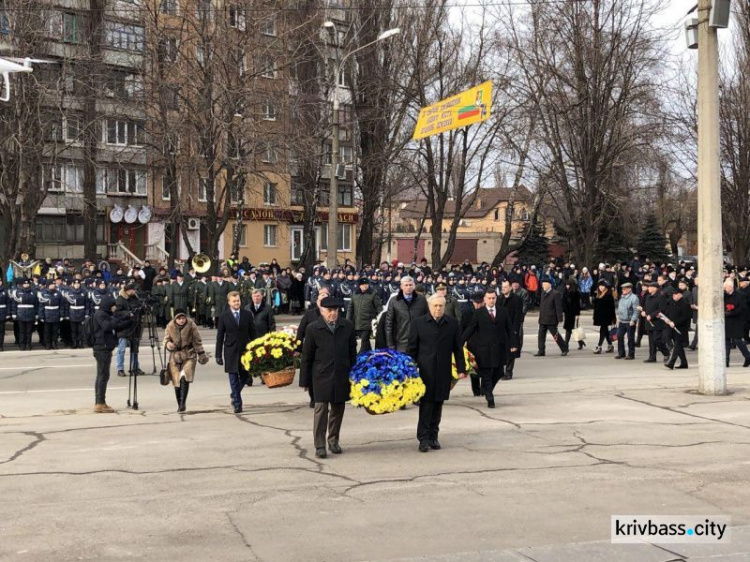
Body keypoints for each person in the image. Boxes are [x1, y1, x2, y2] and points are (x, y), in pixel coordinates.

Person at [299, 296, 357, 459]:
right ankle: (319, 445)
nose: (333, 314)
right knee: (321, 410)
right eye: (329, 311)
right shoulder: (313, 328)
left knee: (338, 409)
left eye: (335, 311)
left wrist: (354, 374)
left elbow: (353, 352)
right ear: (322, 311)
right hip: (321, 375)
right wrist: (304, 380)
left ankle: (333, 440)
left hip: (341, 374)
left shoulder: (347, 326)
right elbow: (306, 357)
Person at [408, 295, 466, 452]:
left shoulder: (452, 324)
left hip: (443, 371)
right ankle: (423, 438)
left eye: (441, 306)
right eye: (435, 306)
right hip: (425, 372)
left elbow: (458, 349)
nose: (438, 308)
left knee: (438, 405)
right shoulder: (419, 323)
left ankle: (434, 437)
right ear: (429, 306)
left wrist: (461, 369)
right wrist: (409, 369)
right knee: (426, 405)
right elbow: (412, 348)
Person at [461, 291, 516, 408]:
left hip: (499, 348)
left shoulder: (502, 311)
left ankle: (487, 389)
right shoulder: (479, 313)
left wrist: (513, 344)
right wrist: (459, 343)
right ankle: (490, 397)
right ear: (485, 300)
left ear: (496, 299)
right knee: (486, 374)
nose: (491, 300)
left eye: (493, 298)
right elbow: (470, 329)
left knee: (498, 372)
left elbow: (509, 329)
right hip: (484, 350)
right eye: (489, 298)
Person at [215, 291, 257, 413]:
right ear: (229, 302)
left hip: (245, 351)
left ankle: (235, 393)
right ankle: (238, 404)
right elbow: (220, 337)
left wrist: (256, 350)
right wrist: (218, 355)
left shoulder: (247, 314)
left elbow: (253, 333)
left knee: (245, 376)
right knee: (233, 378)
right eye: (234, 301)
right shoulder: (224, 316)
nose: (237, 303)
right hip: (230, 351)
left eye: (238, 300)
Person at [92, 295, 133, 413]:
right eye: (113, 305)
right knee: (102, 375)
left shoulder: (106, 315)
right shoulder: (100, 314)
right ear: (108, 305)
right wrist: (117, 317)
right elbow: (107, 326)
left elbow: (115, 327)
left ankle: (100, 402)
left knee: (103, 375)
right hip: (101, 348)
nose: (114, 307)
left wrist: (128, 322)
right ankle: (99, 403)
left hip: (105, 347)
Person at [164, 309, 209, 412]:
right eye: (179, 318)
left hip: (189, 354)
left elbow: (197, 341)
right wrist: (168, 345)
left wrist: (201, 354)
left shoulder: (191, 325)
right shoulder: (170, 326)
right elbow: (166, 340)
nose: (181, 320)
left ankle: (182, 403)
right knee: (176, 381)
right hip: (175, 356)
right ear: (175, 319)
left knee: (185, 377)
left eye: (183, 318)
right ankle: (179, 403)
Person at [297, 287, 330, 407]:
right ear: (317, 301)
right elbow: (301, 331)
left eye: (326, 297)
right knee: (313, 375)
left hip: (327, 350)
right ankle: (313, 397)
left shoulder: (333, 313)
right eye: (321, 297)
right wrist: (298, 347)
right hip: (312, 349)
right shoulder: (310, 314)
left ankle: (324, 397)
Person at [385, 276, 428, 352]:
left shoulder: (421, 300)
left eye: (410, 285)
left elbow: (427, 319)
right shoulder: (394, 301)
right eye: (406, 285)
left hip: (419, 341)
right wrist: (390, 343)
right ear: (401, 286)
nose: (408, 287)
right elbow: (389, 323)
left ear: (414, 286)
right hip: (401, 342)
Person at [346, 277, 383, 353]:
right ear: (359, 285)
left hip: (368, 322)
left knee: (364, 340)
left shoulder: (373, 294)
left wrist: (380, 319)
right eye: (363, 284)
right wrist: (348, 320)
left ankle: (360, 356)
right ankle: (369, 355)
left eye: (366, 284)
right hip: (357, 322)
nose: (365, 286)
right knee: (365, 342)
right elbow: (350, 308)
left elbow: (379, 308)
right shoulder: (355, 294)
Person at [535, 278, 568, 357]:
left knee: (556, 336)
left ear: (549, 285)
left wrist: (560, 318)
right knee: (541, 336)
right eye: (542, 284)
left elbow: (558, 307)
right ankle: (541, 350)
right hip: (543, 318)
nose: (543, 285)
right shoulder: (543, 293)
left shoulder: (555, 294)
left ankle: (564, 349)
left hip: (551, 319)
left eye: (544, 284)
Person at [115, 284, 143, 377]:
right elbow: (117, 313)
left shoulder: (135, 298)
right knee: (121, 349)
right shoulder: (120, 299)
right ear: (127, 291)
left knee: (135, 349)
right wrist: (128, 313)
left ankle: (135, 367)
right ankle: (120, 368)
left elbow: (139, 309)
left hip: (135, 326)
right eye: (132, 290)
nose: (133, 292)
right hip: (124, 327)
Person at [497, 280, 523, 379]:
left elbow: (518, 315)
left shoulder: (516, 299)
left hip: (512, 328)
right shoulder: (499, 299)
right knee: (501, 350)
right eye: (502, 287)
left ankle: (508, 372)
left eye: (506, 287)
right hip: (501, 328)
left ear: (510, 288)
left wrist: (515, 329)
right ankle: (500, 372)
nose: (504, 289)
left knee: (511, 351)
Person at [460, 292, 485, 396]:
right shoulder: (467, 312)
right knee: (474, 368)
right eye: (476, 303)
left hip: (484, 343)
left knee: (485, 368)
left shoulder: (486, 311)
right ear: (472, 302)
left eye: (480, 303)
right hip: (472, 343)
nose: (478, 305)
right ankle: (476, 391)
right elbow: (462, 327)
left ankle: (485, 390)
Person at [640, 282, 670, 363]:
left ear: (655, 288)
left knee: (656, 339)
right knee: (651, 341)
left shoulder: (660, 296)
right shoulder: (648, 297)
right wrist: (643, 312)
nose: (648, 288)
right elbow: (646, 308)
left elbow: (662, 309)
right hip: (649, 322)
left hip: (657, 322)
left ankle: (666, 352)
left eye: (650, 287)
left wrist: (652, 315)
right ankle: (652, 357)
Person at [724, 279, 750, 368]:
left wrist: (732, 312)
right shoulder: (723, 295)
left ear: (731, 287)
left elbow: (742, 308)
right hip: (726, 321)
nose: (725, 289)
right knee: (726, 341)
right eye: (724, 287)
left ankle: (748, 357)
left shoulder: (740, 295)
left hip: (737, 321)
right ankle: (726, 360)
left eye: (726, 287)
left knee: (738, 340)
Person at [663, 289, 691, 369]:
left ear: (680, 295)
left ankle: (671, 363)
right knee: (679, 347)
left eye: (676, 295)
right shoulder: (672, 302)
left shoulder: (685, 303)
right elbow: (668, 312)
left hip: (681, 328)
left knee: (677, 345)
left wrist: (675, 322)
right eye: (673, 295)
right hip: (672, 327)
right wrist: (666, 319)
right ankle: (684, 363)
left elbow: (685, 317)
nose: (674, 296)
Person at [615, 282, 639, 360]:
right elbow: (620, 309)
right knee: (619, 336)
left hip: (630, 321)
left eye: (624, 289)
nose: (623, 290)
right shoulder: (622, 297)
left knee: (630, 338)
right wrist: (618, 318)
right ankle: (621, 353)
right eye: (622, 289)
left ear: (629, 289)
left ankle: (631, 354)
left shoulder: (634, 298)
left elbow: (636, 311)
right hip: (622, 321)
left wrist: (633, 320)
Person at [592, 280, 616, 354]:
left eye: (603, 286)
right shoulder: (598, 295)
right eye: (600, 286)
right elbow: (596, 307)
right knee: (605, 331)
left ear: (606, 287)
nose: (601, 288)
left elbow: (612, 308)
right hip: (600, 316)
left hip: (606, 316)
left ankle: (599, 346)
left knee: (603, 330)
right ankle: (610, 345)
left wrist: (614, 318)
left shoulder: (608, 295)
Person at [562, 279, 583, 350]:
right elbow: (563, 301)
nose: (567, 286)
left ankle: (565, 345)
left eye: (568, 285)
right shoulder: (565, 291)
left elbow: (577, 305)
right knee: (571, 329)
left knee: (569, 329)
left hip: (573, 313)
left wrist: (577, 314)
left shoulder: (575, 293)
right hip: (567, 313)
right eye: (566, 285)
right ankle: (580, 341)